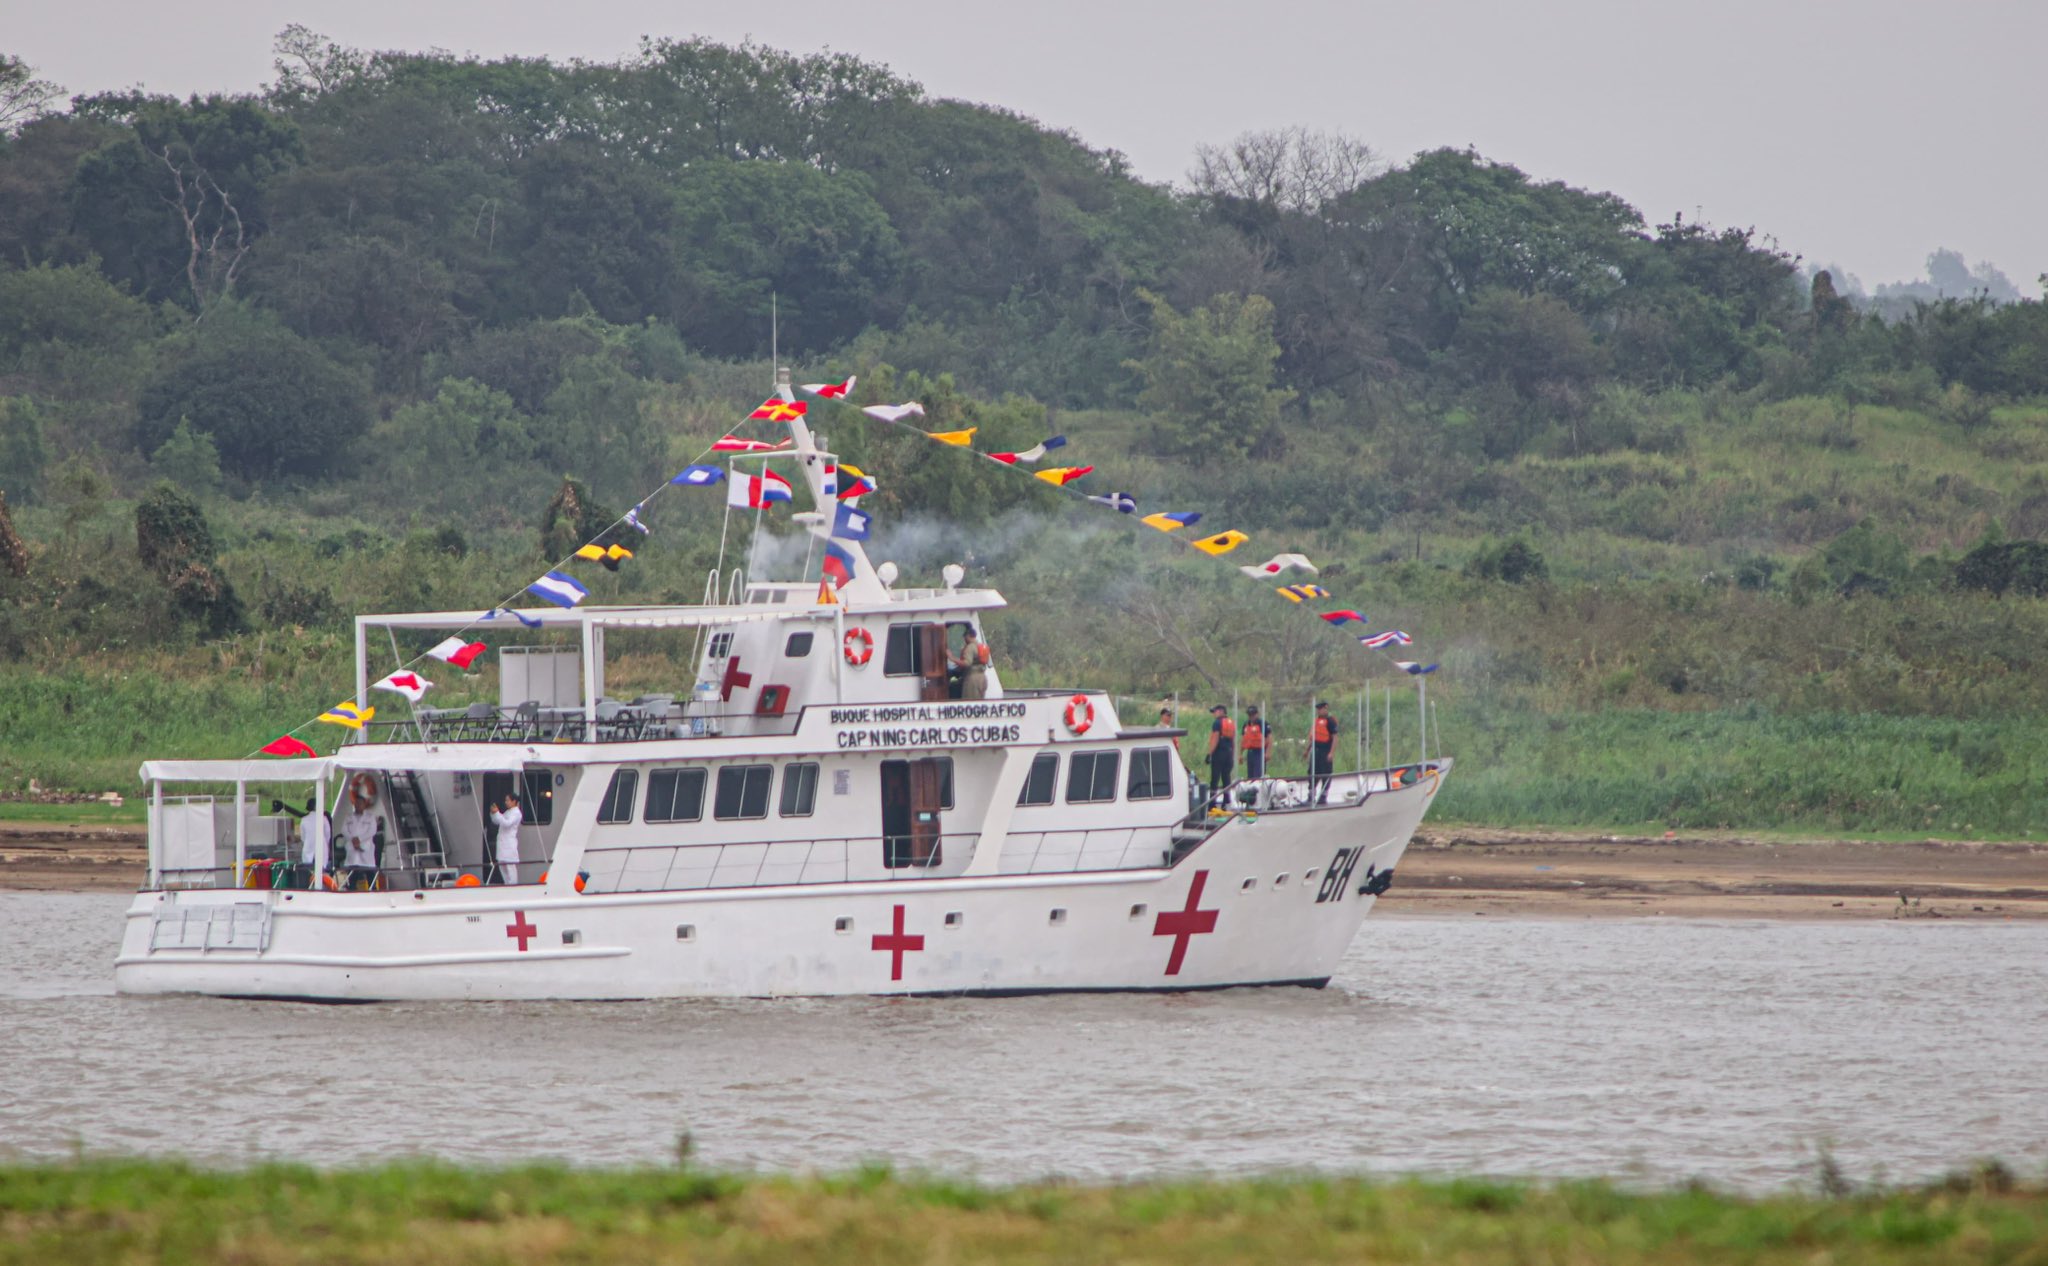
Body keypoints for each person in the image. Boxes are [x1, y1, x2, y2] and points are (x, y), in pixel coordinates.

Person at [339, 798, 378, 890]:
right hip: (352, 848)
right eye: (356, 803)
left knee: (370, 873)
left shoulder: (370, 817)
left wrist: (359, 839)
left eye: (360, 803)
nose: (358, 805)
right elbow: (344, 830)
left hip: (365, 848)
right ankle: (351, 890)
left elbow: (372, 831)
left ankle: (373, 890)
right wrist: (353, 839)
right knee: (352, 873)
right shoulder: (348, 817)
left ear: (364, 805)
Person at [490, 792, 524, 884]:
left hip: (509, 844)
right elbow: (497, 821)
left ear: (514, 801)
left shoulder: (516, 813)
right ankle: (507, 884)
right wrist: (494, 813)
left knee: (510, 868)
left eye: (508, 800)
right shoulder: (507, 812)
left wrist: (498, 813)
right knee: (502, 866)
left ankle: (513, 886)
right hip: (502, 844)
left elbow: (507, 823)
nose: (506, 802)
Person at [1206, 704, 1236, 807]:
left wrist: (1209, 754)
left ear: (1221, 711)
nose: (1214, 714)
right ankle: (1226, 801)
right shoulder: (1231, 723)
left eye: (1215, 711)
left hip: (1219, 753)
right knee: (1226, 777)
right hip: (1229, 753)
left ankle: (1212, 803)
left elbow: (1215, 738)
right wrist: (1232, 754)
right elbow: (1233, 741)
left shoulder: (1217, 723)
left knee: (1215, 778)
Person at [950, 627, 991, 701]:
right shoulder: (981, 646)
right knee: (980, 702)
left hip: (973, 679)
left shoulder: (970, 647)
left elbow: (967, 663)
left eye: (965, 637)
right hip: (982, 678)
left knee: (970, 701)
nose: (964, 639)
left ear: (968, 636)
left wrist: (952, 658)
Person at [1311, 700, 1338, 805]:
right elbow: (1313, 737)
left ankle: (1323, 796)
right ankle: (1311, 795)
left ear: (1326, 708)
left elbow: (1335, 737)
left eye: (1320, 709)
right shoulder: (1317, 721)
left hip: (1325, 750)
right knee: (1313, 772)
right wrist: (1307, 750)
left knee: (1326, 773)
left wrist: (1331, 753)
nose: (1318, 711)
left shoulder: (1330, 721)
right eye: (1318, 709)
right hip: (1316, 750)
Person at [1243, 706, 1267, 781]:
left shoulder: (1262, 723)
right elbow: (1243, 739)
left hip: (1259, 751)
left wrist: (1268, 752)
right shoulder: (1246, 724)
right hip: (1250, 752)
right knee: (1250, 775)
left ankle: (1259, 790)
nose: (1251, 716)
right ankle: (1251, 790)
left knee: (1258, 774)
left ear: (1257, 714)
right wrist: (1240, 753)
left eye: (1253, 714)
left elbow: (1269, 738)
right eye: (1249, 715)